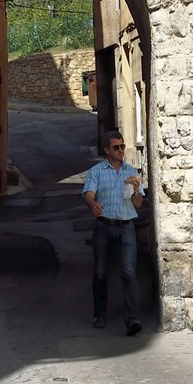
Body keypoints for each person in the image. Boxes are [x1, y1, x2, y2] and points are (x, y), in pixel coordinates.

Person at [81, 128, 144, 335]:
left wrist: (135, 191)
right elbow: (88, 194)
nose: (121, 150)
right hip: (104, 226)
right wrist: (93, 205)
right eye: (116, 147)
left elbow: (138, 204)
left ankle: (132, 318)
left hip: (126, 226)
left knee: (129, 272)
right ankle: (99, 313)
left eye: (123, 146)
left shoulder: (131, 172)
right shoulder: (97, 171)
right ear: (107, 150)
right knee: (100, 272)